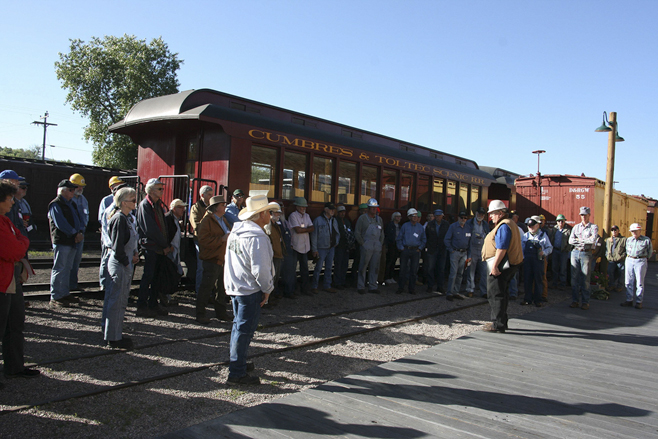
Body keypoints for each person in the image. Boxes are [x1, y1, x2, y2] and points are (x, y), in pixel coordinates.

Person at [224, 194, 278, 385]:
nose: (271, 215)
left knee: (238, 327)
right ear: (261, 214)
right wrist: (267, 289)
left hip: (236, 286)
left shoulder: (236, 232)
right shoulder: (257, 237)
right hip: (249, 289)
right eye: (269, 212)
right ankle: (237, 372)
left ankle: (237, 361)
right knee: (245, 329)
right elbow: (261, 269)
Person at [0, 180, 40, 384]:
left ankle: (14, 367)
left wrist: (20, 244)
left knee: (16, 322)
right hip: (2, 281)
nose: (12, 202)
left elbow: (19, 242)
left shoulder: (6, 220)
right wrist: (21, 244)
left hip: (10, 279)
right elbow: (15, 249)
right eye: (9, 199)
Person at [103, 187, 139, 349]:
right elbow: (118, 248)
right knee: (116, 301)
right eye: (132, 200)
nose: (135, 202)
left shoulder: (126, 218)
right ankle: (113, 337)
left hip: (123, 262)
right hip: (119, 264)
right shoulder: (119, 219)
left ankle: (115, 333)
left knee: (120, 300)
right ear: (124, 202)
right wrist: (126, 262)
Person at [482, 200, 523, 333]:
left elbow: (502, 248)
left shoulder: (504, 226)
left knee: (495, 294)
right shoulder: (510, 224)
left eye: (492, 213)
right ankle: (502, 322)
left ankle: (497, 324)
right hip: (510, 264)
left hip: (501, 265)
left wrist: (494, 266)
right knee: (502, 293)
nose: (490, 216)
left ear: (500, 213)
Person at [136, 178, 171, 317]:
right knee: (148, 277)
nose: (162, 191)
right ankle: (141, 306)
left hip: (159, 247)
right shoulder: (145, 205)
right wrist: (164, 244)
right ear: (150, 190)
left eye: (162, 188)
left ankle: (153, 304)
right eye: (159, 188)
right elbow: (150, 229)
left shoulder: (157, 205)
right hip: (151, 247)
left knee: (156, 277)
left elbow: (162, 226)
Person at [196, 195, 232, 324]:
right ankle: (200, 314)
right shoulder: (207, 221)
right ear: (216, 208)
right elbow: (203, 241)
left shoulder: (222, 219)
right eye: (223, 205)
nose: (225, 207)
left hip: (222, 259)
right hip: (212, 259)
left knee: (222, 289)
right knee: (206, 287)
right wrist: (221, 239)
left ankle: (221, 313)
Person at [48, 179, 84, 307]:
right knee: (60, 267)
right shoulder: (56, 204)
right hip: (62, 240)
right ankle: (56, 296)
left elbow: (77, 219)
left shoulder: (71, 204)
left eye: (73, 189)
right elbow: (60, 223)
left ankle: (64, 293)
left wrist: (78, 232)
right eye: (70, 190)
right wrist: (75, 233)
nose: (73, 192)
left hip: (71, 241)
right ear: (62, 191)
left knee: (67, 267)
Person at [568, 206, 599, 310]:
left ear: (589, 215)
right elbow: (571, 241)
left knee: (585, 278)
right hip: (575, 252)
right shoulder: (576, 227)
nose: (583, 217)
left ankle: (585, 301)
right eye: (582, 215)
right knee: (574, 278)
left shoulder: (593, 227)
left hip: (586, 253)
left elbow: (593, 240)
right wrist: (585, 240)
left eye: (585, 215)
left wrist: (579, 239)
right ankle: (575, 300)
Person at [99, 177, 126, 293]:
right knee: (106, 260)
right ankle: (104, 283)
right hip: (109, 238)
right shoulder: (106, 201)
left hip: (118, 237)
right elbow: (103, 221)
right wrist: (109, 242)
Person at [354, 198, 385, 294]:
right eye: (372, 208)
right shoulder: (362, 218)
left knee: (375, 266)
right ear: (368, 208)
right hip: (366, 245)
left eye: (376, 208)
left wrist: (380, 243)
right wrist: (362, 244)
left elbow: (382, 233)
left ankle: (372, 286)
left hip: (377, 246)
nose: (374, 210)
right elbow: (357, 232)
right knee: (363, 266)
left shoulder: (379, 219)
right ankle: (361, 286)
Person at [521, 216, 553, 307]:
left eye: (532, 226)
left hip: (538, 261)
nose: (530, 228)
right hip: (527, 261)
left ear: (537, 225)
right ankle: (527, 299)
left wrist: (544, 252)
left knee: (538, 280)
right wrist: (523, 258)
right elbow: (522, 248)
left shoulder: (543, 236)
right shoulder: (525, 236)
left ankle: (538, 299)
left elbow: (550, 247)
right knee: (527, 280)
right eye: (528, 226)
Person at [621, 223, 653, 309]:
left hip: (640, 260)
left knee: (639, 282)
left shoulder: (646, 240)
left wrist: (644, 259)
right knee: (628, 281)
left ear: (640, 231)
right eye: (632, 231)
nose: (634, 233)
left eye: (635, 231)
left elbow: (650, 252)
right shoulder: (629, 240)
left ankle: (639, 301)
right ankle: (629, 299)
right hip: (629, 259)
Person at [190, 185, 214, 293]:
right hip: (200, 240)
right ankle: (199, 291)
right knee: (201, 267)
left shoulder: (212, 207)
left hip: (211, 240)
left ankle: (208, 292)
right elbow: (196, 225)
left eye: (211, 194)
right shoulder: (196, 207)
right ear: (202, 195)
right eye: (209, 195)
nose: (211, 197)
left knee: (210, 267)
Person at [395, 208, 426, 295]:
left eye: (416, 215)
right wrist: (401, 248)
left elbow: (424, 239)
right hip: (406, 250)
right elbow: (399, 238)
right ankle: (401, 287)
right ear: (409, 217)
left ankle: (411, 289)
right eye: (413, 216)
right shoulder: (405, 226)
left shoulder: (420, 227)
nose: (415, 217)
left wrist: (420, 248)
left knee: (413, 271)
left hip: (415, 251)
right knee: (402, 270)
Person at [310, 202, 339, 293]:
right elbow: (314, 236)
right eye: (330, 209)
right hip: (321, 248)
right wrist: (314, 249)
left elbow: (337, 233)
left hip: (331, 247)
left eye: (333, 209)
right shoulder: (318, 220)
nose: (332, 211)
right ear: (325, 209)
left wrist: (336, 242)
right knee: (318, 268)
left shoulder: (334, 220)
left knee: (329, 267)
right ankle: (314, 286)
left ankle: (327, 285)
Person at [288, 197, 314, 295]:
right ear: (297, 207)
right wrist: (307, 229)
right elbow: (297, 230)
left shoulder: (307, 216)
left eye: (304, 207)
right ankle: (293, 290)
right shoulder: (293, 216)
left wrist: (304, 229)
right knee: (292, 269)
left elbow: (312, 228)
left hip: (305, 247)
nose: (303, 208)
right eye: (302, 207)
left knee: (305, 269)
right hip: (295, 246)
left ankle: (305, 289)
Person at [68, 173, 89, 292]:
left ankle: (73, 285)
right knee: (67, 263)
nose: (80, 189)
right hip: (71, 236)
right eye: (77, 186)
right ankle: (66, 286)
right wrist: (75, 233)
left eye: (81, 187)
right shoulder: (68, 200)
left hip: (81, 235)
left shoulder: (83, 200)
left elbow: (86, 217)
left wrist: (81, 232)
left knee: (76, 262)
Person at [444, 211, 471, 301]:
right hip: (455, 252)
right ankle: (449, 293)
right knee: (453, 273)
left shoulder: (468, 227)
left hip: (464, 253)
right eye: (461, 217)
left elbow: (470, 241)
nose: (463, 219)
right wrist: (451, 250)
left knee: (460, 273)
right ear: (458, 218)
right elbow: (447, 239)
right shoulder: (453, 226)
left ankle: (456, 292)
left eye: (465, 218)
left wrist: (469, 254)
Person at [465, 207, 490, 298]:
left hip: (482, 250)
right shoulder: (469, 223)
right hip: (472, 249)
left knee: (484, 272)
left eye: (482, 214)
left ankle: (484, 291)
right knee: (470, 271)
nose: (480, 216)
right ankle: (470, 289)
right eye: (479, 214)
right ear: (475, 213)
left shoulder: (485, 224)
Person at [425, 209, 449, 294]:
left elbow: (448, 236)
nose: (438, 217)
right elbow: (427, 235)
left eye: (439, 215)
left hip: (442, 249)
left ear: (442, 216)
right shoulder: (430, 224)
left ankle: (440, 286)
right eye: (436, 215)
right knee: (430, 268)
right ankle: (430, 286)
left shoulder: (446, 224)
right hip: (432, 249)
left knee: (441, 269)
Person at [265, 202, 286, 304]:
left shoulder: (275, 224)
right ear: (271, 212)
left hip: (277, 254)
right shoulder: (267, 226)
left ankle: (271, 298)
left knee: (275, 278)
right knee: (271, 279)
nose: (279, 215)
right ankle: (268, 300)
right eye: (277, 213)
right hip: (272, 256)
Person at [334, 205, 354, 290]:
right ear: (338, 213)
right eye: (341, 212)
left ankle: (343, 281)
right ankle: (337, 282)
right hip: (339, 246)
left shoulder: (346, 221)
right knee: (338, 264)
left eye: (344, 212)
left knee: (345, 264)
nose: (343, 213)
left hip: (346, 246)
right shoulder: (335, 221)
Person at [550, 214, 572, 290]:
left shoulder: (568, 231)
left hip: (563, 252)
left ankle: (562, 284)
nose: (561, 223)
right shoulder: (554, 230)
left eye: (562, 221)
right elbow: (551, 239)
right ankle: (554, 283)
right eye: (559, 221)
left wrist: (567, 249)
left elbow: (570, 242)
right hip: (555, 250)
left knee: (563, 268)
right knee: (554, 267)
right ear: (557, 222)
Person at [507, 210, 525, 299]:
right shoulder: (506, 227)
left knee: (513, 274)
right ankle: (509, 291)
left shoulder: (519, 229)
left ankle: (513, 292)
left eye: (516, 218)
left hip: (514, 254)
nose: (514, 220)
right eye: (513, 218)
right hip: (506, 254)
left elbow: (523, 242)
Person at [605, 225, 626, 292]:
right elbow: (606, 249)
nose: (614, 231)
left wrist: (622, 256)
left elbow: (627, 250)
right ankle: (611, 285)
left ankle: (620, 286)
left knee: (621, 273)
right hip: (611, 260)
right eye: (612, 230)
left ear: (618, 231)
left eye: (615, 230)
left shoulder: (624, 239)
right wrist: (607, 256)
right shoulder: (608, 240)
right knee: (610, 272)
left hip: (620, 260)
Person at [384, 212, 402, 285]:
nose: (398, 218)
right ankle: (387, 277)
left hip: (397, 245)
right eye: (397, 216)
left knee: (394, 261)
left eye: (399, 217)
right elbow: (387, 236)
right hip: (391, 244)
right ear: (394, 217)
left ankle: (391, 277)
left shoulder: (400, 226)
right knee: (389, 261)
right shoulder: (390, 225)